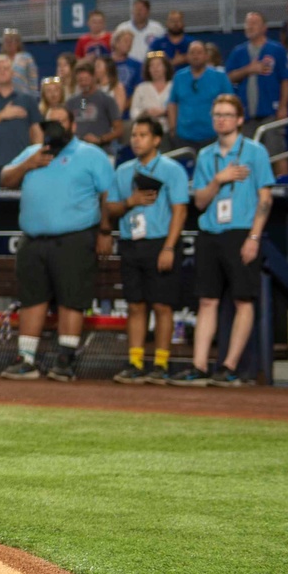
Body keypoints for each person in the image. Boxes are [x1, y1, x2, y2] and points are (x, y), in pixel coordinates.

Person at [0, 108, 113, 381]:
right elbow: (5, 180)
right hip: (33, 239)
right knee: (31, 298)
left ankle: (65, 359)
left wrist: (105, 231)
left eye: (62, 121)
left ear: (73, 124)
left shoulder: (91, 154)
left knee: (71, 298)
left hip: (74, 237)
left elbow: (109, 194)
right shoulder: (34, 152)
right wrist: (29, 163)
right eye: (51, 122)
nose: (57, 126)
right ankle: (26, 359)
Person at [173, 95, 275, 388]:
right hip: (210, 232)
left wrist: (253, 237)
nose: (221, 119)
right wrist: (219, 179)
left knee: (243, 298)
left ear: (240, 119)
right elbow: (201, 202)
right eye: (217, 114)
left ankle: (229, 366)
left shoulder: (255, 152)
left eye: (228, 114)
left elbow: (265, 198)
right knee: (207, 300)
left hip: (241, 231)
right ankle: (200, 365)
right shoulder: (206, 155)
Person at [106, 117, 190, 385]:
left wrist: (168, 247)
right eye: (134, 135)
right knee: (135, 305)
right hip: (131, 243)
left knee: (162, 306)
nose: (136, 139)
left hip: (160, 242)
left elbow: (180, 210)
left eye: (143, 135)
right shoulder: (122, 171)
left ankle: (161, 364)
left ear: (156, 140)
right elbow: (110, 209)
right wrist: (130, 201)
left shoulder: (171, 169)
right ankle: (135, 362)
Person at [225, 11, 288, 164]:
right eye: (247, 23)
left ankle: (283, 186)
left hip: (270, 111)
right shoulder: (238, 51)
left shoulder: (276, 49)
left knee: (277, 155)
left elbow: (286, 79)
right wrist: (248, 70)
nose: (249, 26)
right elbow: (228, 77)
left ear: (264, 28)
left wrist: (283, 106)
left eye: (254, 23)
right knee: (247, 159)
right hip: (246, 115)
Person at [167, 40, 234, 154]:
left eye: (199, 52)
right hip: (184, 137)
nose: (195, 56)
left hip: (213, 136)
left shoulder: (220, 76)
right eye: (192, 53)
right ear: (187, 56)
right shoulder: (179, 77)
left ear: (206, 55)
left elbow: (231, 104)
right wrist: (173, 128)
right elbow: (172, 103)